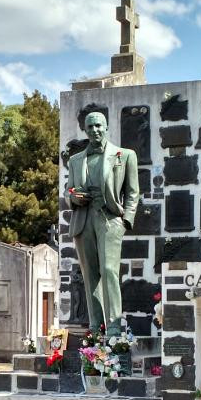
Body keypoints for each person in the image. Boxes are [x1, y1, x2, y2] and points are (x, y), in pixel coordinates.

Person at [65, 111, 140, 336]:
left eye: (98, 126)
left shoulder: (125, 155)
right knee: (90, 275)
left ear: (106, 127)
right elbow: (68, 190)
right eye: (90, 127)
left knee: (109, 271)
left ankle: (114, 325)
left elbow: (133, 192)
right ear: (85, 131)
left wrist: (126, 219)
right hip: (83, 220)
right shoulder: (75, 160)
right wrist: (73, 197)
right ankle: (96, 326)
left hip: (110, 219)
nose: (95, 130)